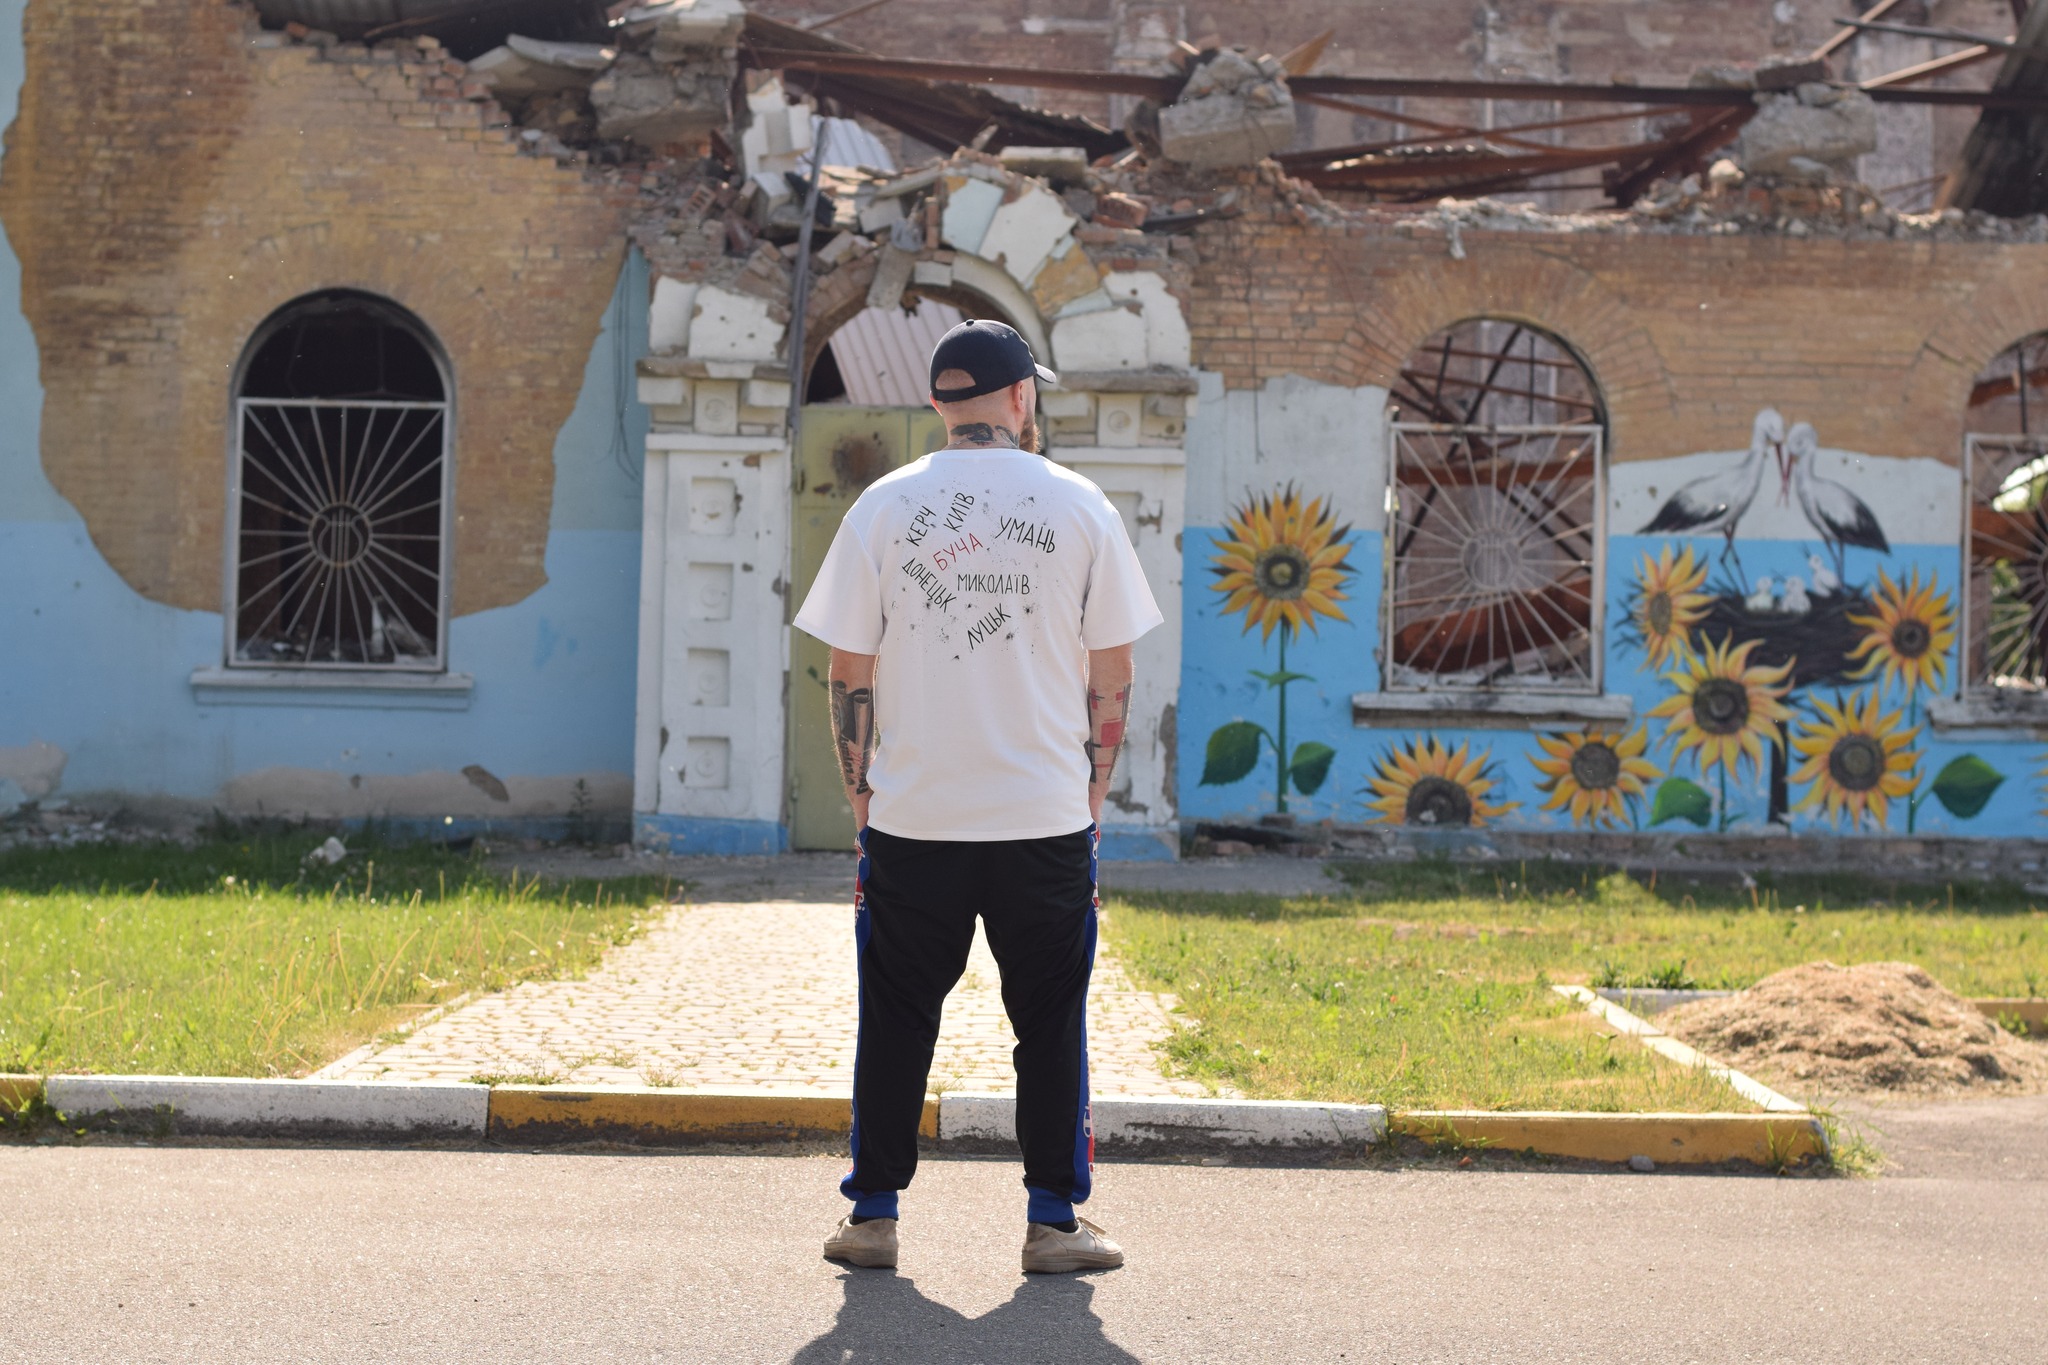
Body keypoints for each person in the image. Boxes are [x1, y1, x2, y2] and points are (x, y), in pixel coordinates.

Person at [792, 318, 1163, 1274]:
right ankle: (1053, 1223)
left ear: (938, 405)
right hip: (1043, 816)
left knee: (896, 1013)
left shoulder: (882, 506)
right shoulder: (1081, 507)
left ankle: (871, 1216)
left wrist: (861, 792)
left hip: (915, 816)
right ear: (1021, 398)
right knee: (1050, 1019)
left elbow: (846, 667)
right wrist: (1093, 786)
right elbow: (1112, 675)